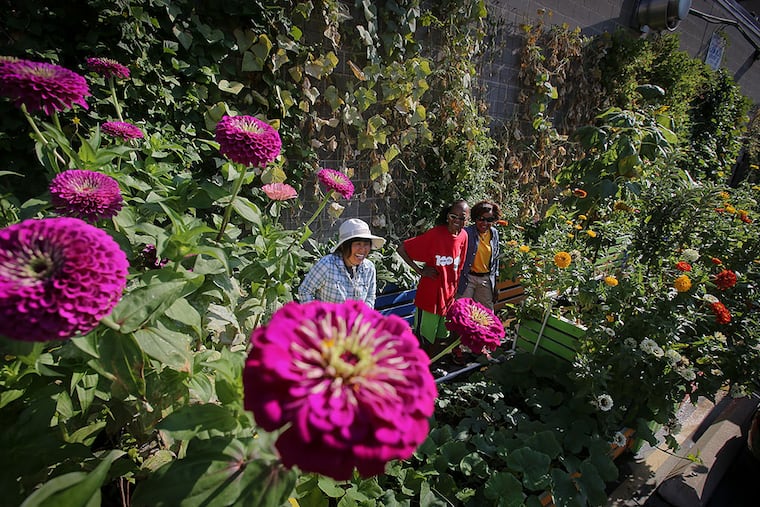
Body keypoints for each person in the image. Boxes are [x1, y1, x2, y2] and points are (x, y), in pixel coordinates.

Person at [397, 200, 469, 348]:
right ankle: (418, 368)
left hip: (448, 298)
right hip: (430, 297)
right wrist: (421, 271)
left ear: (467, 219)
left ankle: (433, 367)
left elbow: (459, 268)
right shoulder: (436, 234)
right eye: (453, 216)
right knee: (423, 340)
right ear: (447, 216)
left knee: (441, 337)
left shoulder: (464, 236)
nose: (456, 221)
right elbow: (402, 249)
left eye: (462, 218)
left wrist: (454, 293)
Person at [298, 218, 385, 308]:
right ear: (344, 246)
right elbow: (305, 291)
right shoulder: (327, 264)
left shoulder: (369, 268)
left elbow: (370, 297)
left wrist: (364, 315)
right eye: (358, 244)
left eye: (366, 244)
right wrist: (315, 317)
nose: (362, 249)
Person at [457, 200, 501, 310]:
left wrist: (495, 285)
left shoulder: (494, 233)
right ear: (475, 218)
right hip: (467, 278)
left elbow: (495, 260)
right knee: (462, 310)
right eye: (481, 219)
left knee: (486, 313)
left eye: (489, 220)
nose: (485, 223)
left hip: (485, 279)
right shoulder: (467, 233)